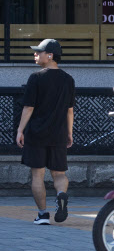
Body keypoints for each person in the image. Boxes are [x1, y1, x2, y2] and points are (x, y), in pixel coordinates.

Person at [16, 39, 75, 225]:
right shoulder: (68, 79)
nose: (35, 55)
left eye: (39, 52)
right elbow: (70, 110)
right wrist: (70, 132)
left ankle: (42, 215)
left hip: (37, 133)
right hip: (58, 133)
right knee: (59, 174)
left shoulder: (36, 77)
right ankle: (61, 195)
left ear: (50, 55)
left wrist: (20, 130)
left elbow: (29, 108)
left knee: (37, 175)